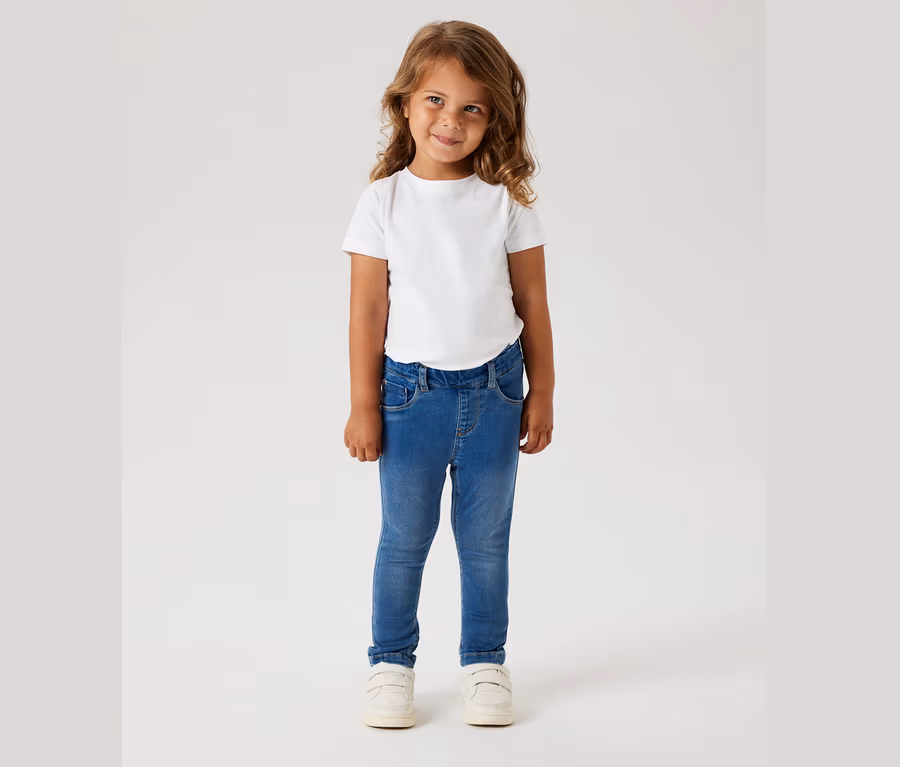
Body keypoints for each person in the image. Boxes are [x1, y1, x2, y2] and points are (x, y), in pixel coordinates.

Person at [341, 20, 554, 728]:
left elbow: (533, 304)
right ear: (404, 103)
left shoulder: (505, 202)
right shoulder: (383, 202)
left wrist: (544, 392)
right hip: (410, 396)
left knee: (486, 541)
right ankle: (390, 664)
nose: (450, 120)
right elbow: (367, 311)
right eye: (435, 100)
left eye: (472, 108)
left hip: (496, 392)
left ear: (494, 118)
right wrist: (364, 404)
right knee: (404, 538)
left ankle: (485, 662)